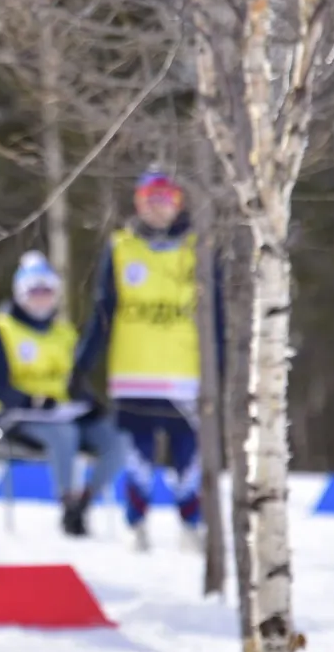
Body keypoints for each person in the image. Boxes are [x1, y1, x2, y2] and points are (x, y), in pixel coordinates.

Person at [74, 168, 225, 551]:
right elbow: (104, 309)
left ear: (178, 204)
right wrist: (83, 362)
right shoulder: (122, 247)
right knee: (138, 453)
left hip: (183, 370)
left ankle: (190, 525)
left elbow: (216, 313)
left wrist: (219, 364)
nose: (158, 210)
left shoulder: (198, 248)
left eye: (165, 201)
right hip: (134, 369)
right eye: (149, 202)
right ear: (138, 204)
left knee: (187, 452)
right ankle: (135, 522)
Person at [0, 251, 125, 536]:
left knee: (116, 439)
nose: (41, 298)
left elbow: (72, 379)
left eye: (47, 291)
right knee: (64, 434)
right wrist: (30, 401)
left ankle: (84, 503)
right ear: (21, 293)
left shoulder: (63, 332)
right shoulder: (1, 329)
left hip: (61, 411)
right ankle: (67, 503)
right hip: (15, 414)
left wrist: (91, 403)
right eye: (34, 291)